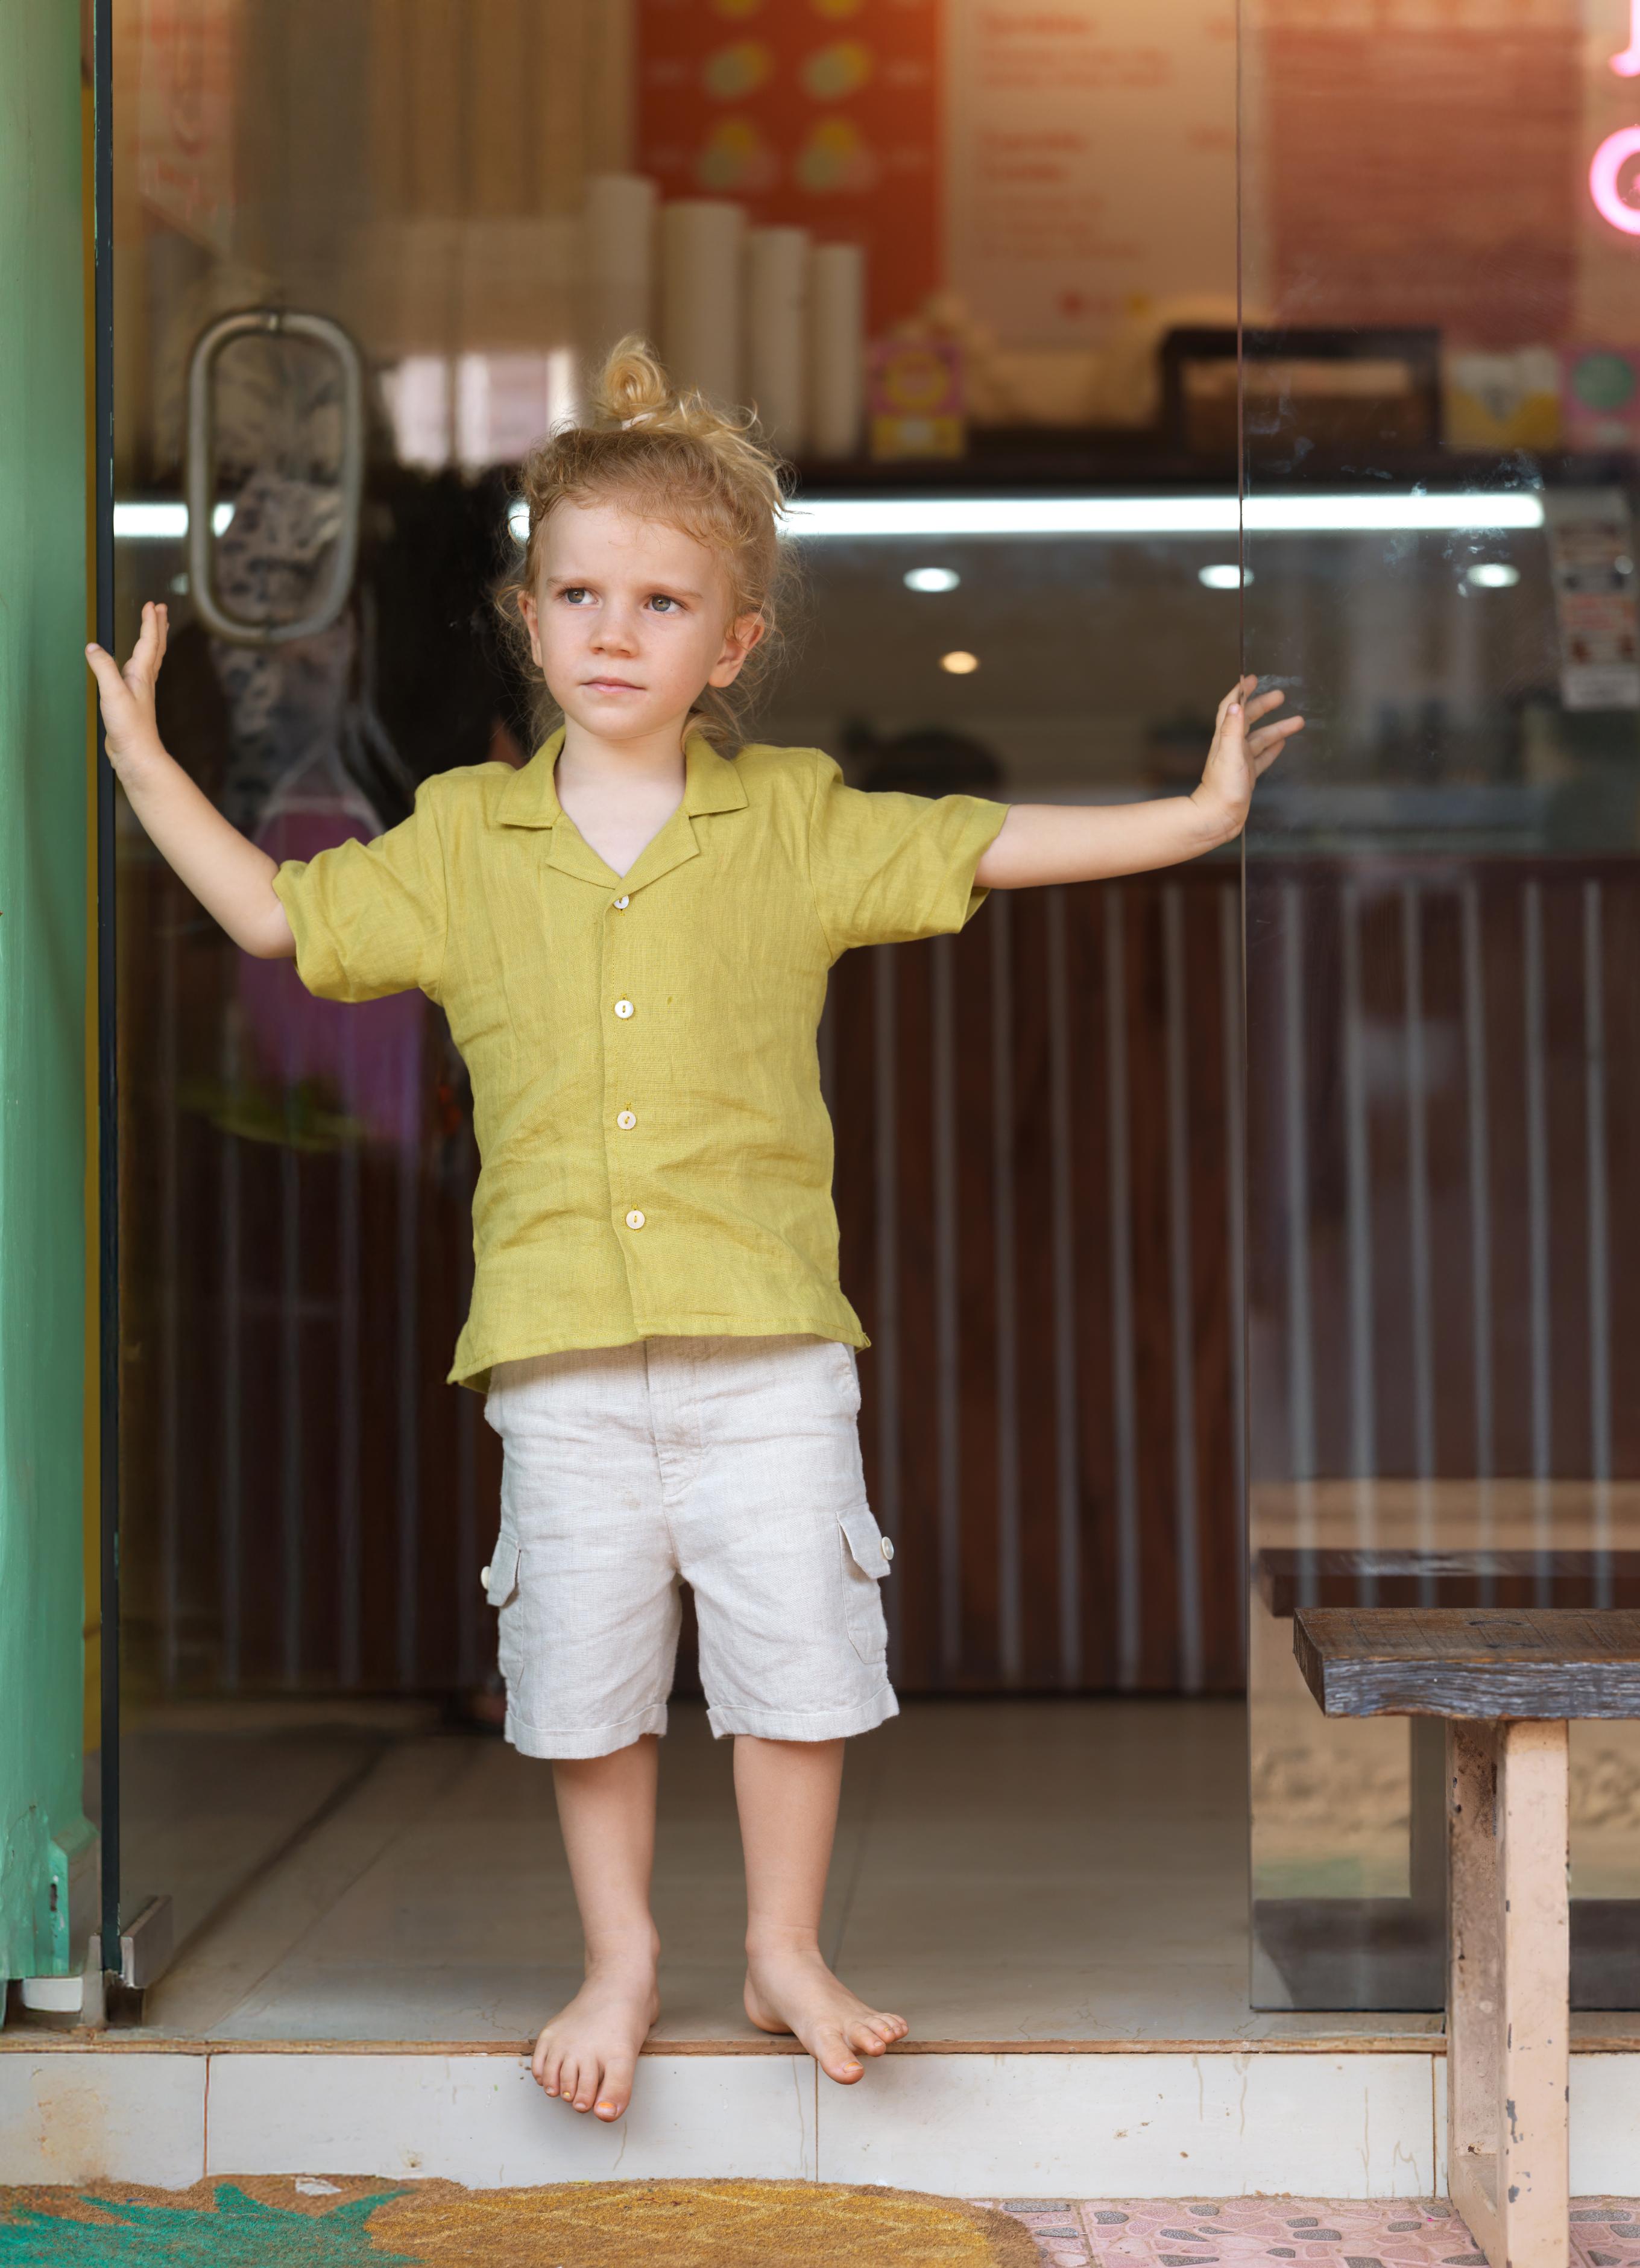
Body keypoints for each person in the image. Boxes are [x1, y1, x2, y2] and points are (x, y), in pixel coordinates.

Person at [86, 336, 1303, 2128]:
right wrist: (141, 759)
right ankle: (623, 1958)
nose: (614, 631)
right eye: (579, 594)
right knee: (585, 1683)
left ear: (731, 645)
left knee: (796, 1661)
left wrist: (1197, 816)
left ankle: (783, 1949)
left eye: (661, 603)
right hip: (559, 1353)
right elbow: (278, 921)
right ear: (526, 617)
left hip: (771, 1349)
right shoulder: (463, 837)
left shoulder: (793, 819)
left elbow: (975, 847)